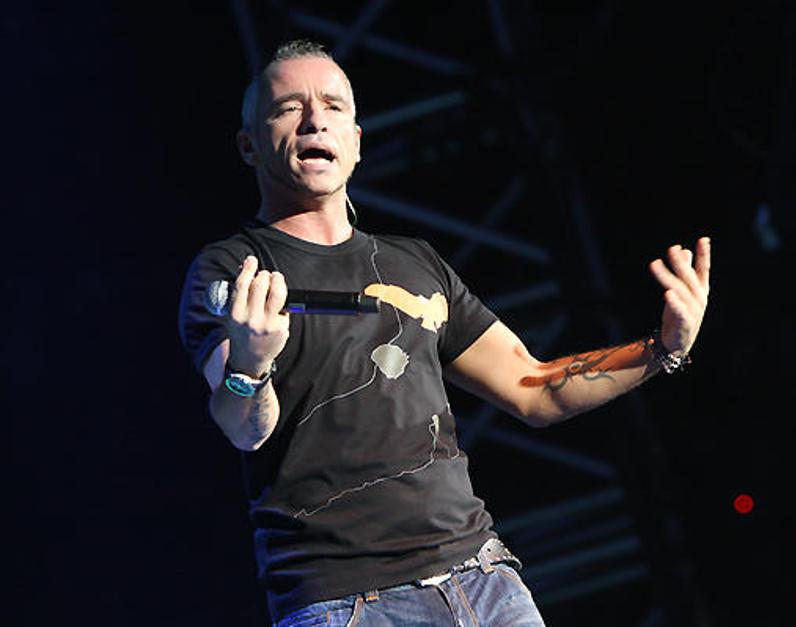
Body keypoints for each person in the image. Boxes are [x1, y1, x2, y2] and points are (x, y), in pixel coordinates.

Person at [178, 39, 711, 627]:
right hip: (349, 603)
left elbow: (533, 388)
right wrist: (250, 366)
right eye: (288, 108)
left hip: (482, 581)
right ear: (249, 145)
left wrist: (662, 348)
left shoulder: (414, 263)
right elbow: (244, 427)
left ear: (356, 141)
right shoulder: (233, 271)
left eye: (332, 106)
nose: (314, 120)